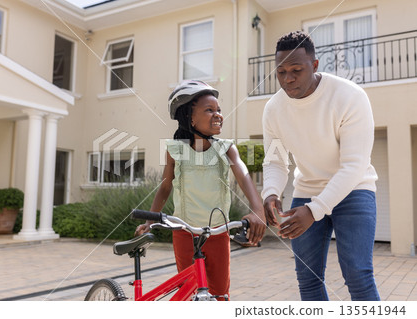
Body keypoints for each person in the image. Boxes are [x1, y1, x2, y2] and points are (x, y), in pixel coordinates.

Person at [262, 31, 380, 301]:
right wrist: (270, 193)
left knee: (358, 275)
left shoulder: (349, 96)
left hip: (355, 190)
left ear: (314, 66)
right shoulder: (273, 109)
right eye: (281, 72)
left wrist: (315, 210)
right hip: (307, 190)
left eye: (296, 70)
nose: (288, 78)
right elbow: (275, 160)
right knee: (308, 280)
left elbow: (353, 165)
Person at [135, 80, 266, 300]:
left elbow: (242, 174)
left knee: (220, 295)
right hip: (184, 233)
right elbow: (166, 186)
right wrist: (149, 222)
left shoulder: (226, 148)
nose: (218, 114)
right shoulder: (175, 151)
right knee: (188, 293)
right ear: (190, 118)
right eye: (209, 110)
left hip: (217, 233)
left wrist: (257, 209)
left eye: (219, 110)